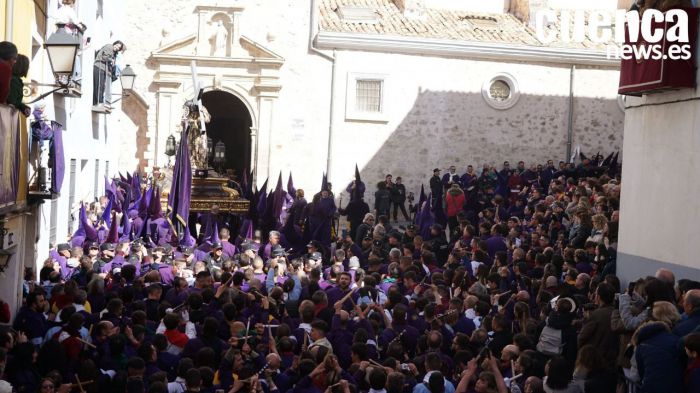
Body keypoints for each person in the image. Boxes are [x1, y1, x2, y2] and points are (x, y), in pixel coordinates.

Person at [93, 40, 125, 110]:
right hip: (99, 66)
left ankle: (100, 102)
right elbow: (104, 57)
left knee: (102, 86)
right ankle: (98, 103)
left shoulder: (114, 52)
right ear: (114, 44)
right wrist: (111, 60)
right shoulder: (109, 47)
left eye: (119, 48)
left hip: (104, 69)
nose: (117, 48)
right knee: (99, 86)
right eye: (117, 46)